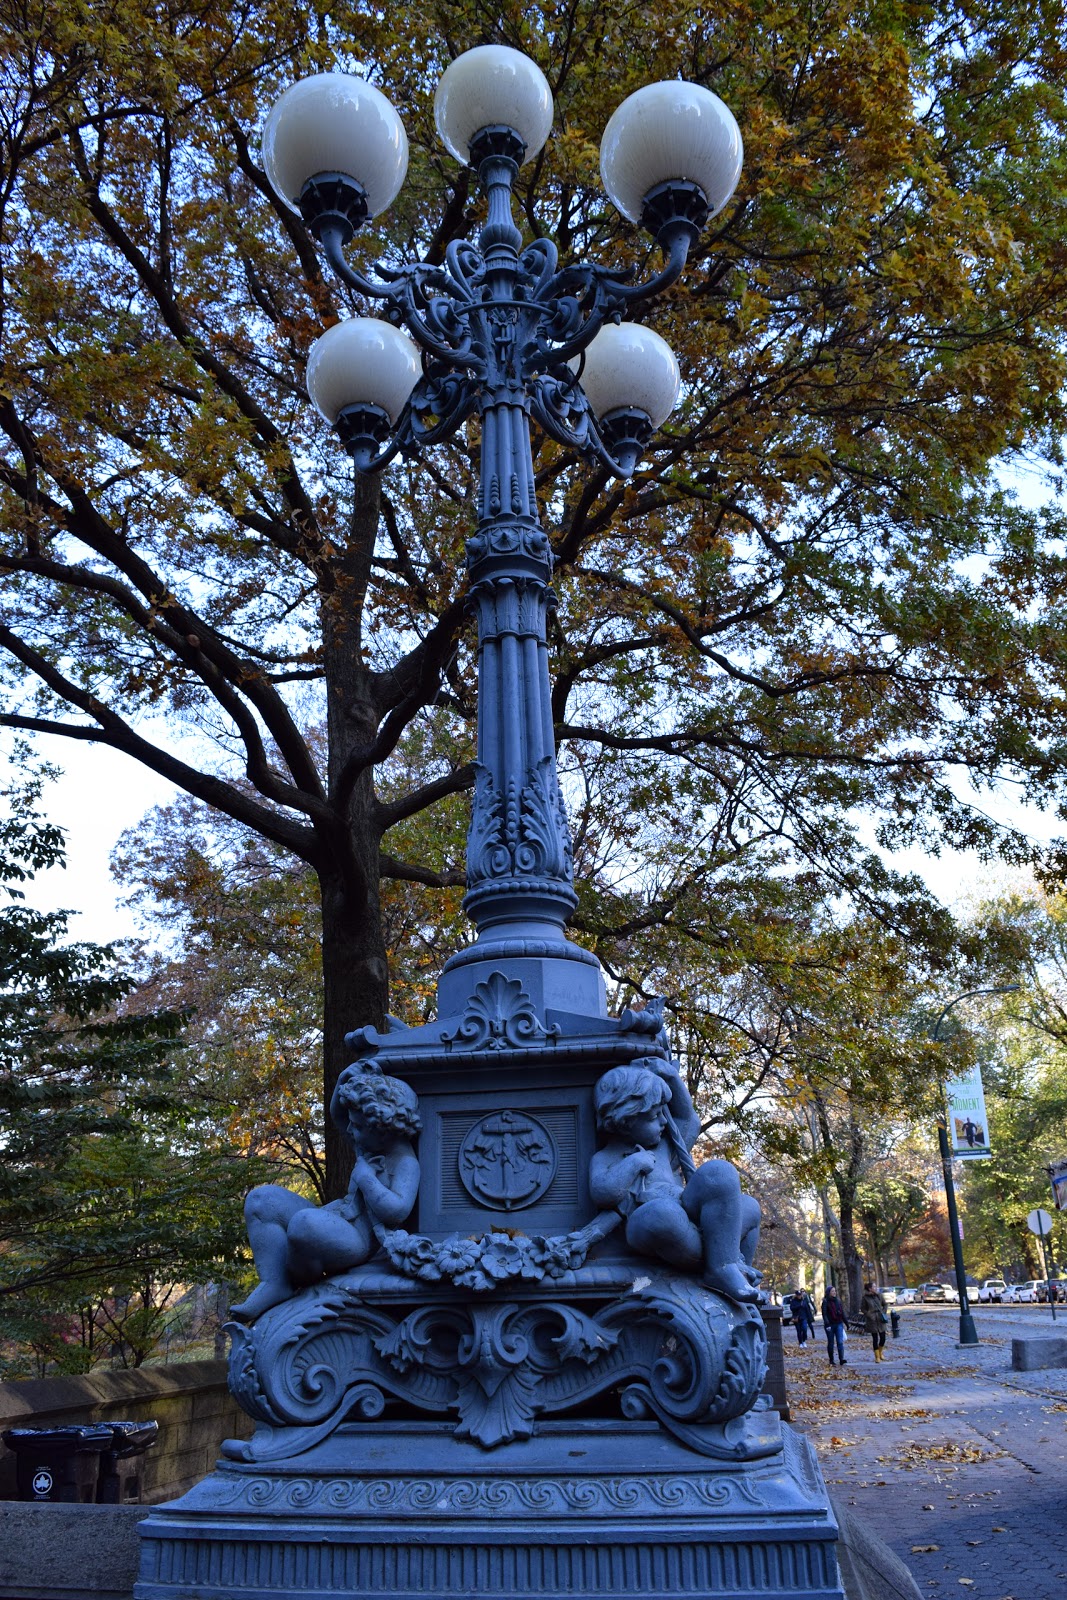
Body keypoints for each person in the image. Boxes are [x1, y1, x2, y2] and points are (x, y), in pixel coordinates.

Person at [232, 1065, 421, 1321]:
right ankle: (274, 1282)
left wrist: (367, 1179)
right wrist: (344, 1078)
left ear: (382, 1128)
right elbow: (339, 1117)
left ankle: (300, 1276)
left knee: (304, 1223)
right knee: (261, 1200)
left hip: (359, 1239)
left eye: (358, 1127)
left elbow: (397, 1211)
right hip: (338, 1217)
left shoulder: (404, 1163)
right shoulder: (370, 1142)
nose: (351, 1132)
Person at [589, 1058, 761, 1302]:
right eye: (654, 1116)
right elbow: (603, 1191)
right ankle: (722, 1258)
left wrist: (671, 1076)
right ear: (625, 1121)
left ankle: (724, 1266)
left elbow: (689, 1121)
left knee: (728, 1181)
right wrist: (634, 1163)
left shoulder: (662, 1149)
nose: (663, 1122)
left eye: (663, 1113)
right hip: (653, 1227)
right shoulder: (606, 1157)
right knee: (662, 1213)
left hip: (690, 1225)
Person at [860, 1280, 889, 1360]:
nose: (875, 1288)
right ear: (870, 1289)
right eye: (874, 1286)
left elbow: (885, 1304)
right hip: (872, 1320)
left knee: (883, 1337)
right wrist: (869, 1314)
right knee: (875, 1338)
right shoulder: (865, 1298)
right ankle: (877, 1357)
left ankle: (880, 1353)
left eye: (875, 1286)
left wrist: (883, 1312)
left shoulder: (879, 1295)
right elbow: (863, 1309)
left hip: (880, 1319)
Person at [821, 1285, 847, 1365]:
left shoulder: (838, 1301)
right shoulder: (825, 1301)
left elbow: (842, 1312)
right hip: (830, 1325)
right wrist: (827, 1323)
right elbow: (824, 1314)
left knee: (840, 1342)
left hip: (838, 1323)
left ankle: (841, 1359)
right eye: (832, 1291)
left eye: (835, 1291)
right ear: (828, 1292)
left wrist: (846, 1323)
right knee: (831, 1342)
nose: (834, 1292)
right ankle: (831, 1359)